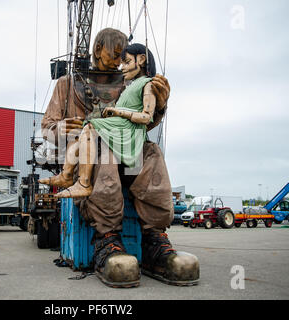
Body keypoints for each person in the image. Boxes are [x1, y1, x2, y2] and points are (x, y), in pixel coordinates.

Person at [41, 28, 199, 288]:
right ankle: (107, 239)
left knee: (152, 153)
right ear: (97, 48)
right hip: (88, 157)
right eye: (114, 54)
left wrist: (159, 105)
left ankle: (153, 239)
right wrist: (60, 128)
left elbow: (142, 125)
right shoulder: (67, 84)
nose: (118, 60)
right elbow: (47, 126)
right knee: (104, 154)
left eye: (123, 56)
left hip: (127, 150)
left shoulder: (130, 84)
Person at [40, 43, 158, 200]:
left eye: (126, 62)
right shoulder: (131, 85)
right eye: (118, 58)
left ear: (142, 60)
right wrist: (58, 128)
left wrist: (118, 112)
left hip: (128, 129)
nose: (120, 66)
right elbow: (48, 126)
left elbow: (147, 117)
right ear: (98, 51)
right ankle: (66, 175)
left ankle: (83, 183)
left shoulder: (147, 84)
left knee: (90, 127)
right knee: (83, 130)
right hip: (120, 125)